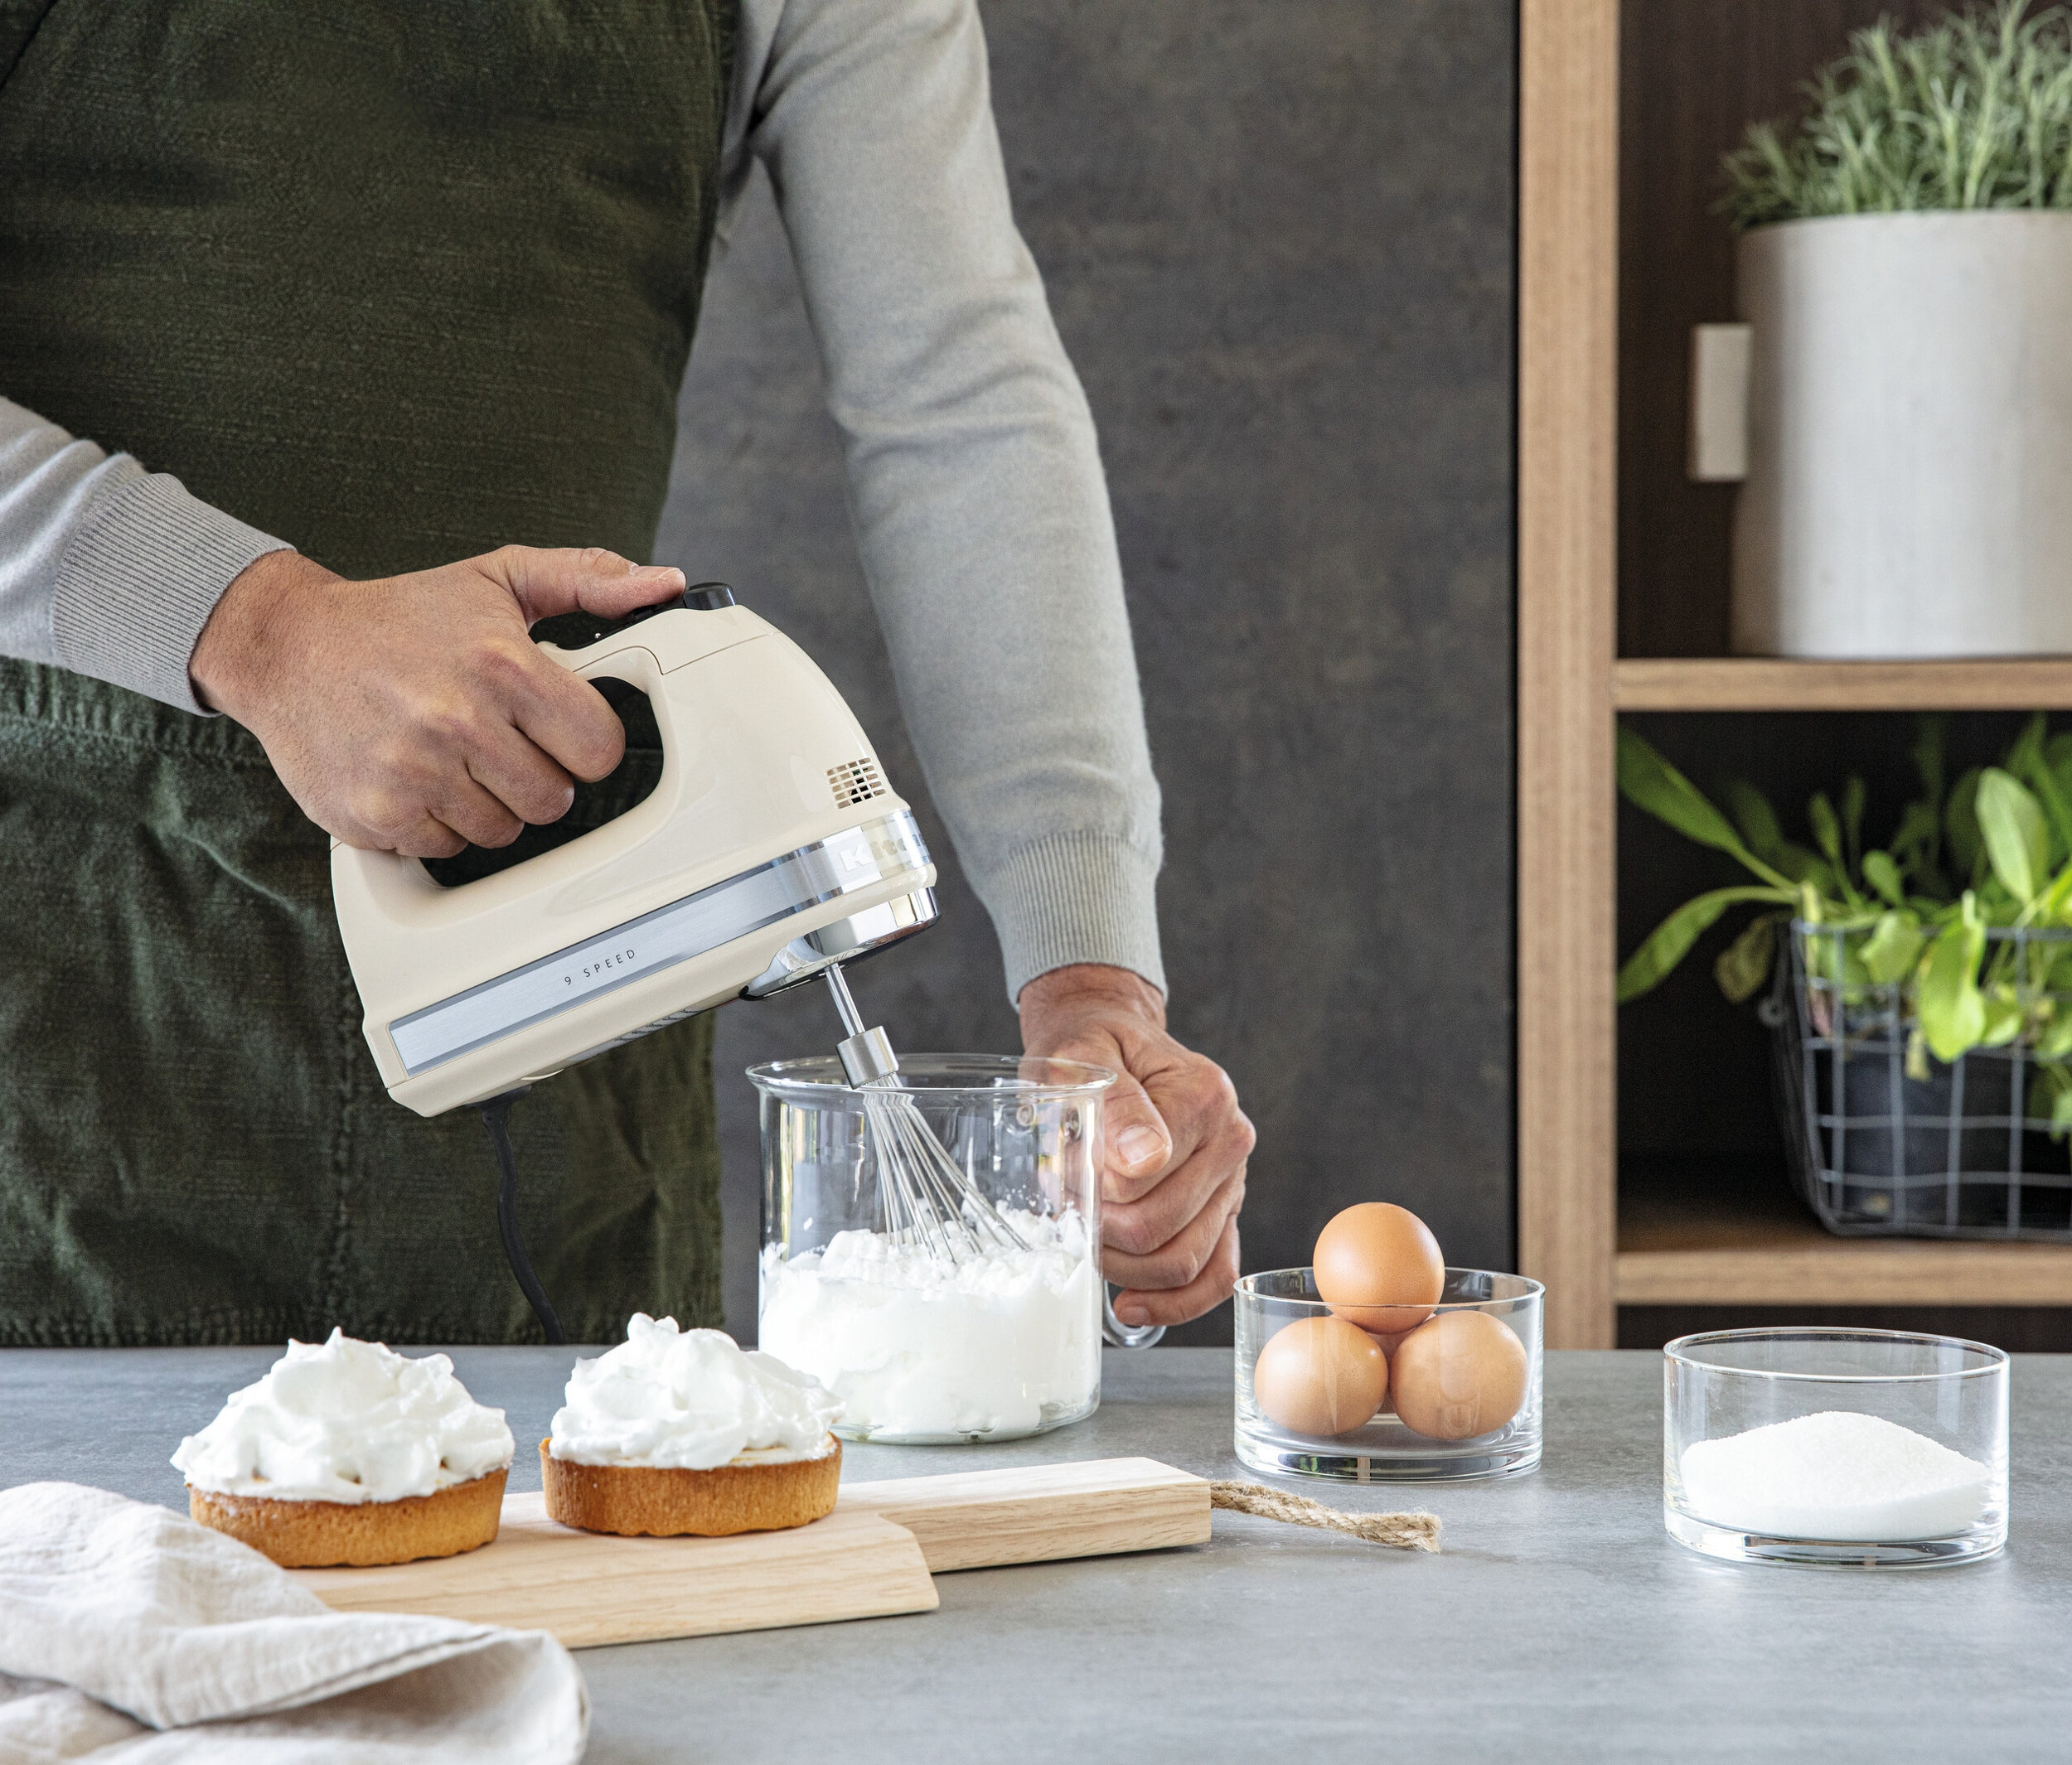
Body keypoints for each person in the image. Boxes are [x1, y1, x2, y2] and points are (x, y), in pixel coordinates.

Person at [0, 0, 1252, 1346]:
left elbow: (959, 406)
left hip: (569, 1007)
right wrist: (258, 627)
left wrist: (1091, 975)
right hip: (60, 998)